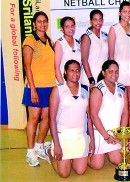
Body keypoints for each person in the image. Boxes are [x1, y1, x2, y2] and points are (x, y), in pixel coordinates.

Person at [47, 60, 94, 178]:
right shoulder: (58, 90)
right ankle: (49, 151)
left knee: (80, 171)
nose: (75, 73)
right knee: (64, 174)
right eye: (71, 70)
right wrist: (57, 144)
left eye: (78, 70)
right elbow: (51, 119)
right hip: (63, 137)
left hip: (80, 136)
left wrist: (92, 140)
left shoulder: (85, 89)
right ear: (65, 72)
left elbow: (89, 118)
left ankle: (71, 159)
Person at [22, 11, 56, 167]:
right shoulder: (30, 40)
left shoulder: (49, 41)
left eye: (45, 21)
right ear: (34, 24)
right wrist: (33, 89)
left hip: (50, 86)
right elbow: (27, 67)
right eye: (39, 21)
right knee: (34, 119)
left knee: (47, 118)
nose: (42, 24)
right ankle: (30, 152)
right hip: (35, 86)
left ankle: (39, 146)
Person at [89, 60, 129, 170]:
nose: (114, 75)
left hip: (115, 134)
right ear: (103, 73)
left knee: (118, 161)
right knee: (97, 166)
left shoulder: (122, 88)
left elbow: (125, 113)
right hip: (100, 133)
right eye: (110, 71)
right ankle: (83, 155)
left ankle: (107, 153)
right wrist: (106, 136)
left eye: (116, 72)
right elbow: (93, 116)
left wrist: (120, 134)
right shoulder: (98, 89)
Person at [108, 1, 130, 103]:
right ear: (119, 13)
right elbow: (111, 54)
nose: (127, 14)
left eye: (129, 12)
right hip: (119, 73)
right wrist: (112, 73)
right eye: (125, 11)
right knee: (120, 104)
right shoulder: (114, 29)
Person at [81, 10, 108, 88]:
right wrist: (91, 79)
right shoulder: (86, 37)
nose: (98, 22)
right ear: (91, 21)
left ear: (103, 21)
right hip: (89, 79)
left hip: (103, 79)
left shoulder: (105, 35)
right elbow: (84, 60)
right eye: (95, 20)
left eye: (100, 20)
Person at [54, 16, 81, 85]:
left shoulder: (78, 42)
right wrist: (62, 85)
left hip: (77, 82)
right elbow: (56, 68)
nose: (70, 29)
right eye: (67, 26)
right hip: (63, 83)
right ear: (62, 29)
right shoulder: (59, 43)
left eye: (72, 26)